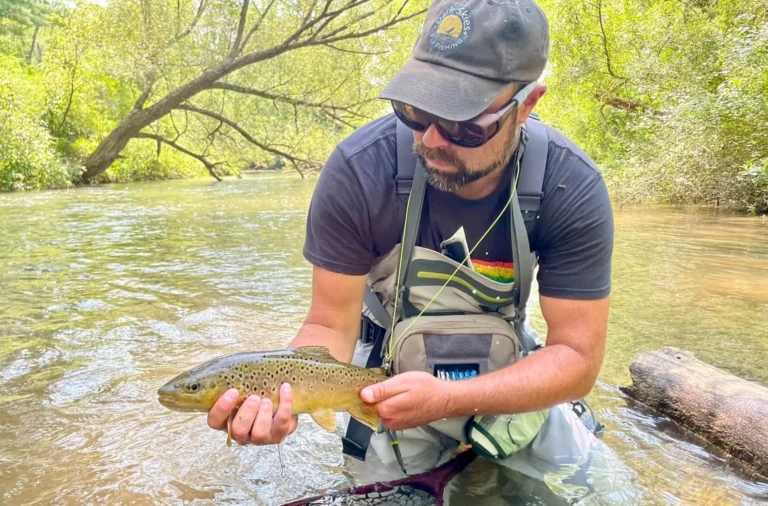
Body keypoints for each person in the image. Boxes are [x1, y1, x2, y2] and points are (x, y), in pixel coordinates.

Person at [206, 0, 618, 496]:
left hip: (509, 376)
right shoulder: (359, 171)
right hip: (385, 381)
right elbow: (328, 325)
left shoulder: (569, 185)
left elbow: (575, 358)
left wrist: (449, 398)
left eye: (466, 123)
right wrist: (284, 397)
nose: (432, 138)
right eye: (416, 111)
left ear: (527, 104)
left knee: (595, 489)